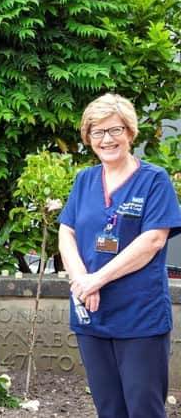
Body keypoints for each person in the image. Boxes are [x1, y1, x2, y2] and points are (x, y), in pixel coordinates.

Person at [58, 93, 181, 418]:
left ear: (129, 132)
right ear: (88, 138)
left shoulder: (154, 181)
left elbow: (152, 241)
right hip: (91, 315)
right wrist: (82, 283)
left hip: (139, 317)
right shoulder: (84, 180)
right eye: (97, 132)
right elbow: (66, 232)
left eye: (114, 130)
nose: (106, 139)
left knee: (143, 408)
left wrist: (96, 279)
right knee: (108, 408)